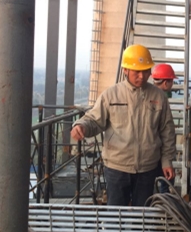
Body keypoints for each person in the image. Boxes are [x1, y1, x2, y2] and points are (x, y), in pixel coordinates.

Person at [71, 44, 176, 206]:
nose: (142, 76)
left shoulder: (159, 97)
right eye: (136, 72)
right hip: (117, 168)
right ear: (125, 70)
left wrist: (167, 160)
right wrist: (81, 126)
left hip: (147, 168)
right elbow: (94, 119)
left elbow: (167, 131)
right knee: (116, 215)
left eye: (146, 71)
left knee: (142, 214)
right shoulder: (111, 95)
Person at [152, 63, 177, 191]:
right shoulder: (161, 99)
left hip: (147, 152)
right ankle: (163, 201)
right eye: (172, 81)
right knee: (167, 180)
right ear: (166, 83)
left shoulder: (146, 95)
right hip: (158, 150)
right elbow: (167, 130)